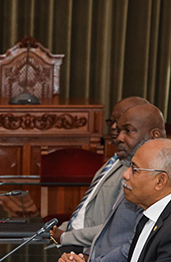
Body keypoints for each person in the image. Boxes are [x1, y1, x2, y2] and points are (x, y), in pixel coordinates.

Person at [50, 97, 149, 251]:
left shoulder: (134, 171)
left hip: (91, 249)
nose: (115, 127)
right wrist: (62, 229)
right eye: (113, 121)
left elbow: (116, 229)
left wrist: (65, 236)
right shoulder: (116, 159)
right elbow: (87, 212)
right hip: (74, 240)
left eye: (124, 124)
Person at [84, 103, 168, 262]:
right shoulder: (129, 170)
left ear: (154, 135)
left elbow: (135, 246)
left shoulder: (154, 181)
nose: (119, 138)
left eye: (128, 131)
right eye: (119, 130)